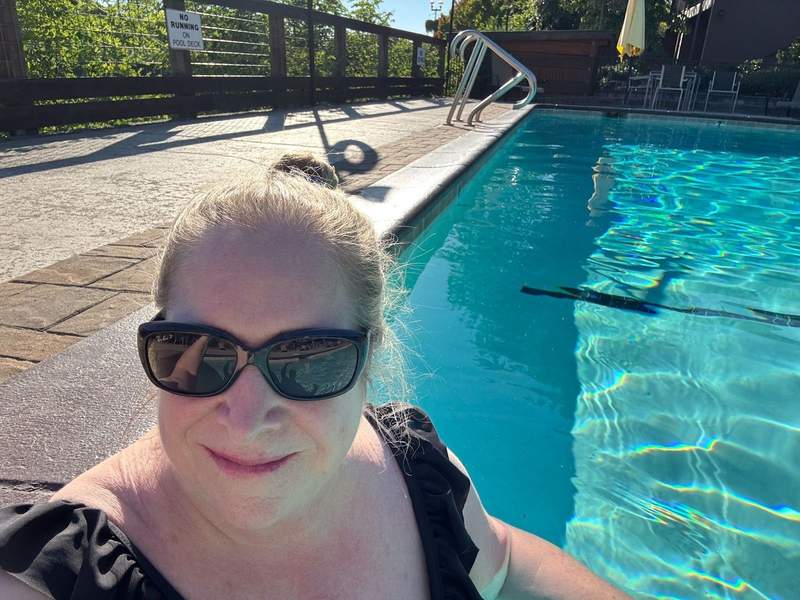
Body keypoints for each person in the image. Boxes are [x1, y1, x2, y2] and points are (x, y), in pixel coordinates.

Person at [0, 156, 631, 600]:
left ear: (368, 363)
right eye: (196, 350)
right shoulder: (59, 573)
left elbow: (506, 567)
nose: (246, 418)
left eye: (308, 358)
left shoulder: (421, 475)